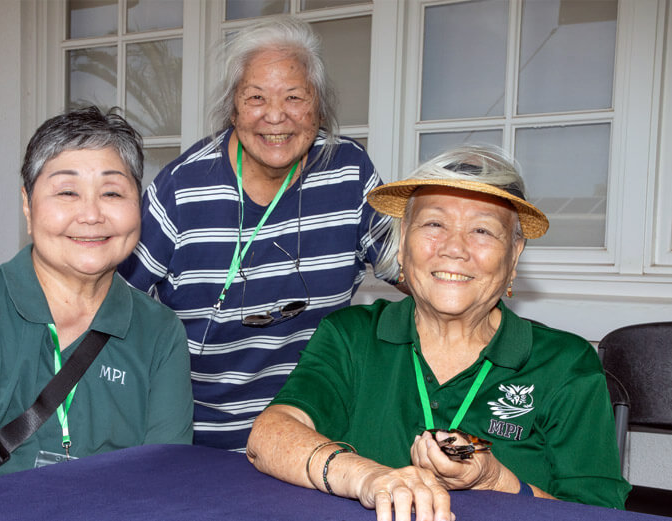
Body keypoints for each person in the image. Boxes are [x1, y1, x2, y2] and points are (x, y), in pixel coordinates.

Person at [246, 145, 630, 521]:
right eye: (434, 224)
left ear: (514, 257)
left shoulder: (565, 364)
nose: (454, 248)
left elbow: (601, 514)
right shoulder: (350, 336)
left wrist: (498, 480)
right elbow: (268, 437)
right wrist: (369, 477)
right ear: (402, 245)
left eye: (482, 230)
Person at [0, 107, 193, 498]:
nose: (91, 215)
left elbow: (163, 479)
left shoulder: (160, 332)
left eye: (112, 192)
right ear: (28, 205)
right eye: (67, 192)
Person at [117, 16, 391, 452]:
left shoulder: (348, 172)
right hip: (200, 440)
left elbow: (412, 265)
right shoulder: (183, 188)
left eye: (294, 97)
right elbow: (111, 300)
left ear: (318, 106)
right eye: (256, 97)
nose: (275, 116)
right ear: (234, 108)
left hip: (313, 434)